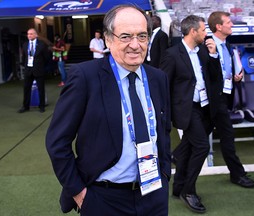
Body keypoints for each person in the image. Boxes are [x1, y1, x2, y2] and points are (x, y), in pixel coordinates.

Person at [46, 4, 171, 216]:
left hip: (153, 195)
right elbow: (57, 141)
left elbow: (163, 129)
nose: (135, 45)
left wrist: (165, 174)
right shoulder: (85, 77)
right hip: (104, 199)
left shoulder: (158, 78)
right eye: (125, 36)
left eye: (142, 36)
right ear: (108, 39)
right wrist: (79, 192)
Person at [160, 15, 220, 213]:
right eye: (203, 30)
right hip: (186, 109)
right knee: (202, 147)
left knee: (187, 148)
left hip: (204, 107)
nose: (206, 33)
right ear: (193, 31)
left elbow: (213, 77)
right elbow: (163, 85)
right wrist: (165, 114)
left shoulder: (203, 51)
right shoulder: (172, 54)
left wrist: (213, 56)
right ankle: (188, 191)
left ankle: (177, 187)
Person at [207, 11, 254, 188]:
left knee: (195, 137)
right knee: (227, 136)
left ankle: (176, 156)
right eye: (228, 22)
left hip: (225, 96)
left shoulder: (226, 46)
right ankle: (237, 174)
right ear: (219, 26)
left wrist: (234, 76)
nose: (231, 25)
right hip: (214, 99)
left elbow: (223, 71)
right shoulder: (209, 45)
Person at [18, 28, 49, 113]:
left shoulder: (42, 44)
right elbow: (24, 57)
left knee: (41, 88)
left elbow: (47, 57)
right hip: (28, 69)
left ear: (36, 35)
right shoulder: (24, 44)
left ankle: (41, 106)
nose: (29, 35)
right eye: (28, 34)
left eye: (31, 34)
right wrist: (25, 66)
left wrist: (42, 66)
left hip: (39, 70)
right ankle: (25, 106)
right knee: (26, 88)